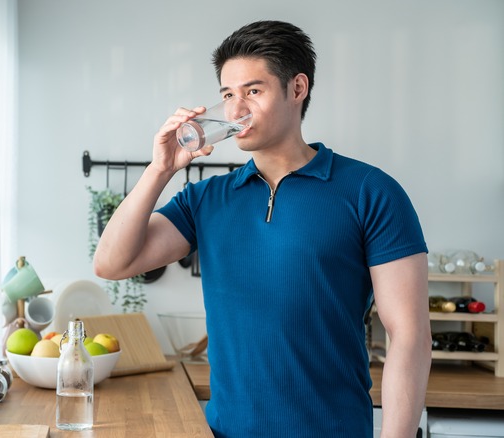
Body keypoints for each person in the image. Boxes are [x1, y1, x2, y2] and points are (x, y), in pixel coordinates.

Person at [93, 20, 431, 437]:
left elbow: (410, 336)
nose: (236, 110)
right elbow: (110, 263)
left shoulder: (370, 191)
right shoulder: (206, 199)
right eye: (227, 95)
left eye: (253, 91)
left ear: (297, 88)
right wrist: (159, 170)